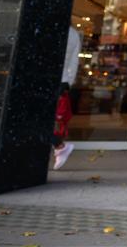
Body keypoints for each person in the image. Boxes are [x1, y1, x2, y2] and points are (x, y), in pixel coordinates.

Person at [52, 24, 81, 170]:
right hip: (62, 80)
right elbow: (74, 61)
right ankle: (59, 146)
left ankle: (59, 145)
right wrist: (69, 81)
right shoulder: (74, 33)